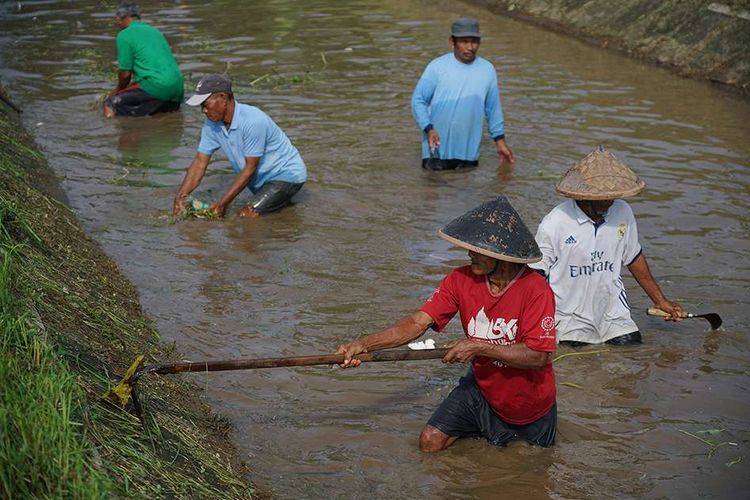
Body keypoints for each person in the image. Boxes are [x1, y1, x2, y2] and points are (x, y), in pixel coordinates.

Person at [337, 196, 557, 452]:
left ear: (501, 256)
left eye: (477, 250)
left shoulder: (536, 290)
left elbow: (537, 356)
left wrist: (479, 348)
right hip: (481, 389)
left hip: (528, 403)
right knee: (430, 441)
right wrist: (364, 344)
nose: (469, 253)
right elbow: (417, 323)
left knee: (531, 467)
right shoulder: (459, 280)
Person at [530, 146, 684, 346]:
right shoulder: (556, 222)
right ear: (583, 196)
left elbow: (633, 257)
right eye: (603, 197)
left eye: (613, 196)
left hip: (612, 312)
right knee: (579, 366)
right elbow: (536, 274)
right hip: (568, 316)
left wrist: (660, 300)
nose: (610, 201)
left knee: (633, 355)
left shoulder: (623, 211)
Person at [173, 74, 306, 218]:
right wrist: (181, 196)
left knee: (247, 215)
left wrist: (222, 205)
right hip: (260, 180)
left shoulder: (252, 121)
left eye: (205, 104)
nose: (203, 111)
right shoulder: (212, 124)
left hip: (286, 175)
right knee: (272, 210)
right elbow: (200, 162)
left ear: (223, 97)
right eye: (201, 106)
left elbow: (250, 168)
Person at [411, 17, 513, 171]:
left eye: (474, 41)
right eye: (464, 41)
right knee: (432, 190)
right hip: (436, 150)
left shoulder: (487, 70)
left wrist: (500, 141)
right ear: (452, 42)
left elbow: (493, 108)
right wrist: (429, 129)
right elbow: (417, 101)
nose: (470, 47)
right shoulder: (436, 67)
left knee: (467, 189)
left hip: (468, 152)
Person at [103, 2, 184, 118]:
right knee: (158, 117)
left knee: (111, 103)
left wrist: (117, 91)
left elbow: (125, 74)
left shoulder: (124, 35)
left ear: (118, 19)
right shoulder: (155, 31)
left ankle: (111, 133)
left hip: (157, 86)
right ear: (138, 16)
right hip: (177, 88)